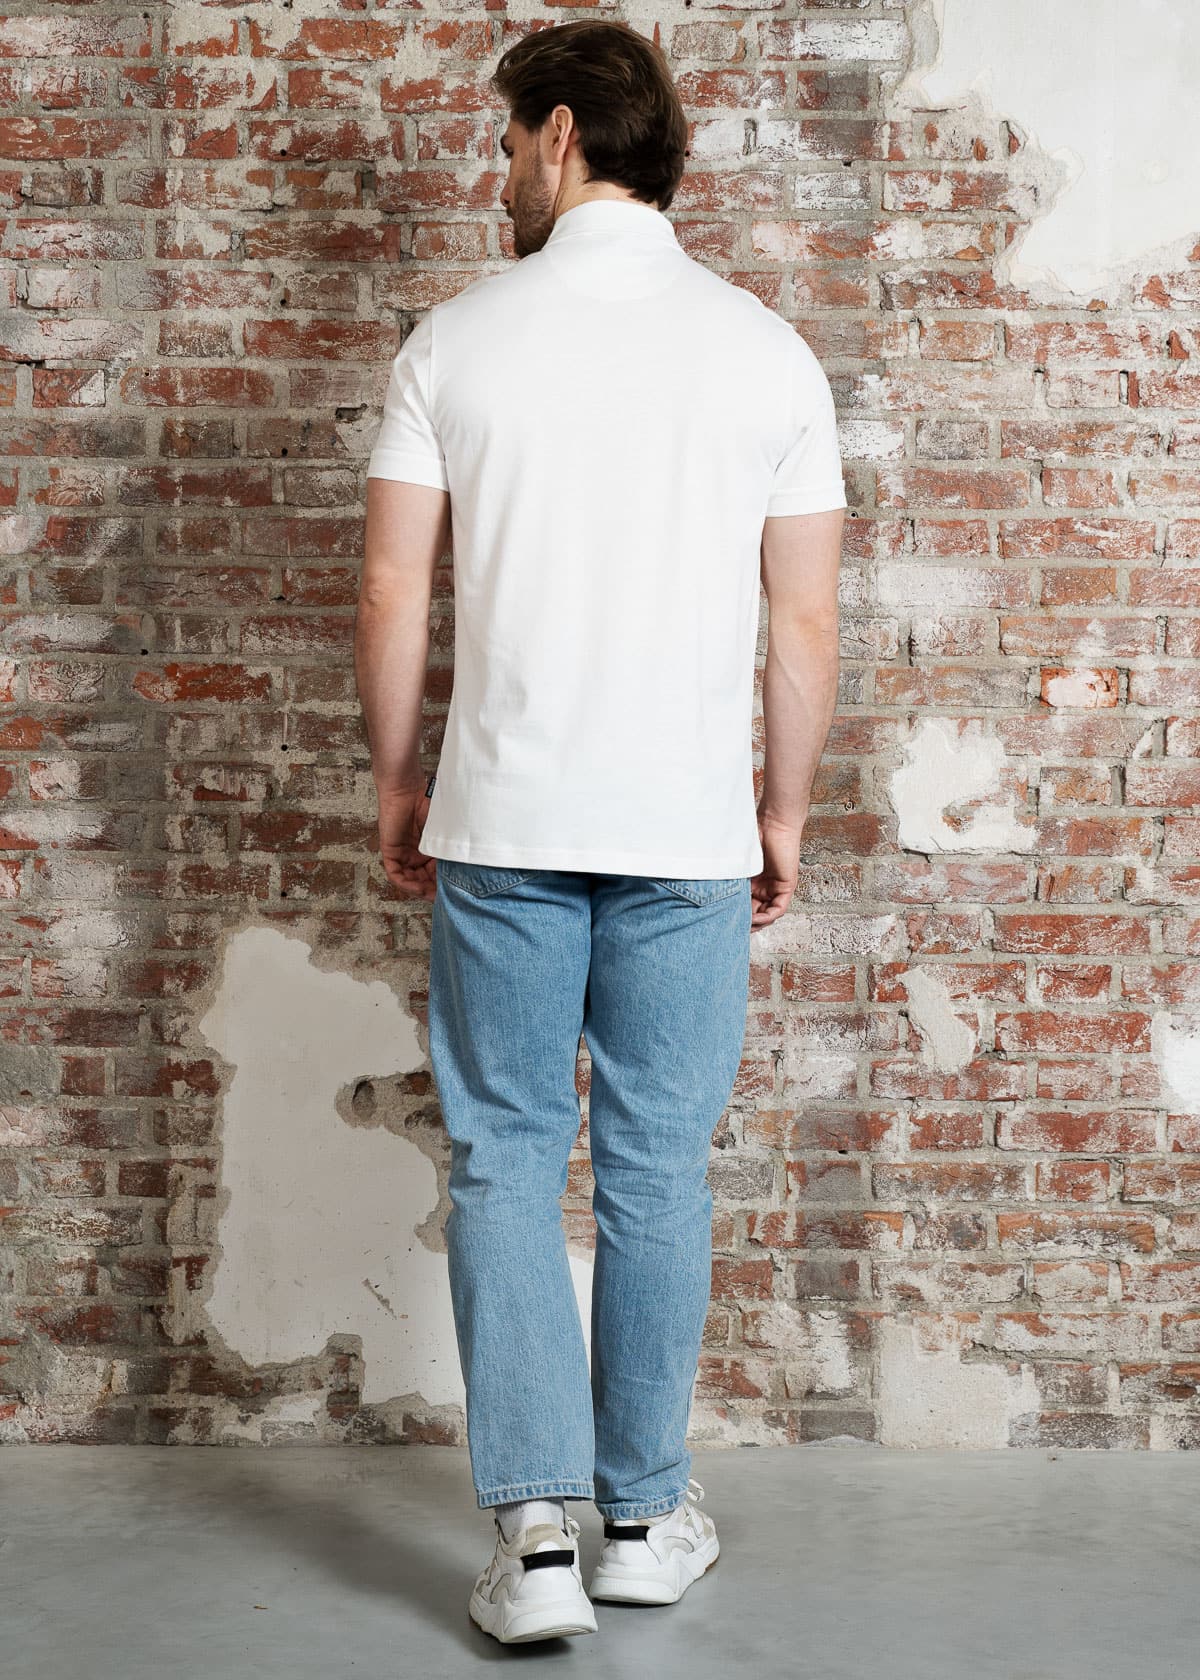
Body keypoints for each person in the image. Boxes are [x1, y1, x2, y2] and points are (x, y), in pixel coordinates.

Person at [355, 17, 846, 1646]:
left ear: (560, 136)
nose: (501, 173)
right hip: (686, 836)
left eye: (508, 143)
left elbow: (393, 588)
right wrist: (781, 809)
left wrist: (396, 777)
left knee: (505, 1159)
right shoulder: (767, 353)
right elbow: (802, 624)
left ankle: (535, 1547)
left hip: (503, 820)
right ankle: (641, 1517)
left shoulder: (455, 343)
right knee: (654, 1169)